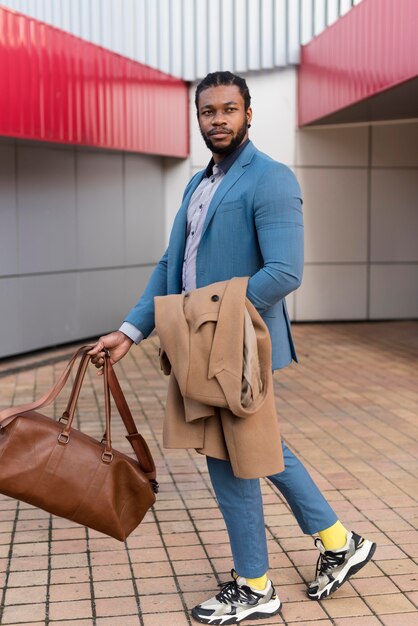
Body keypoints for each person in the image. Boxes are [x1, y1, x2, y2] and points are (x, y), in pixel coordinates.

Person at [89, 71, 376, 624]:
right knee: (259, 448)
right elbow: (171, 265)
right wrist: (129, 331)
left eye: (228, 109)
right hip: (205, 344)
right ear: (198, 119)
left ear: (248, 114)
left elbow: (285, 272)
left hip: (239, 346)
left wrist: (211, 318)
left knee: (233, 462)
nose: (217, 120)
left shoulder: (270, 178)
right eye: (207, 112)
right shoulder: (198, 185)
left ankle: (255, 586)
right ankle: (340, 543)